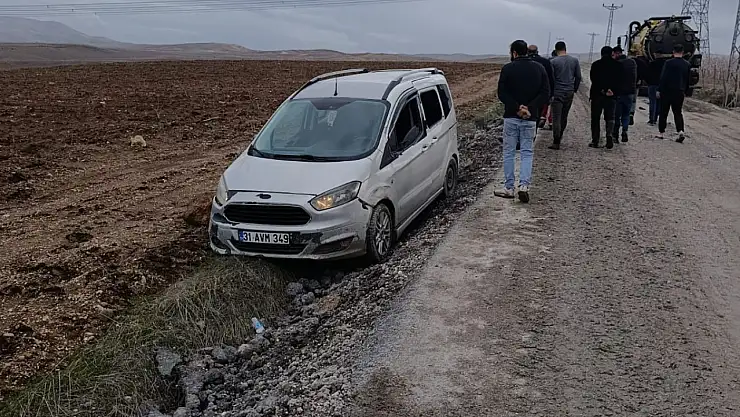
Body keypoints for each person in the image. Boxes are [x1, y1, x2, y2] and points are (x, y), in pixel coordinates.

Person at [495, 39, 550, 203]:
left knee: (509, 152)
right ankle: (524, 186)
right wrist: (529, 108)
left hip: (511, 117)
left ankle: (509, 188)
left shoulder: (507, 68)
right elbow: (545, 93)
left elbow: (501, 93)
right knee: (527, 152)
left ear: (514, 53)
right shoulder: (539, 68)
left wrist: (517, 107)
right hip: (530, 118)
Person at [548, 41, 582, 150]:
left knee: (556, 117)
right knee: (564, 116)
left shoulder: (553, 62)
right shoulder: (574, 61)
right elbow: (578, 76)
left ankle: (556, 140)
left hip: (557, 92)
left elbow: (551, 79)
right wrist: (574, 88)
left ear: (556, 49)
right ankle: (560, 135)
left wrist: (550, 92)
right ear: (565, 48)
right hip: (569, 91)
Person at [589, 46, 622, 149]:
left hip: (597, 95)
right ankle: (609, 134)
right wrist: (612, 90)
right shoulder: (618, 65)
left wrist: (603, 90)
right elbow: (620, 80)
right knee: (610, 117)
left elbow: (594, 79)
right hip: (612, 96)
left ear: (601, 53)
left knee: (595, 118)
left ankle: (595, 140)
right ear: (612, 53)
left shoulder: (596, 65)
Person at [657, 44, 691, 142]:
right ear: (682, 52)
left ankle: (661, 133)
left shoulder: (668, 63)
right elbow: (688, 80)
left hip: (667, 91)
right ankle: (680, 131)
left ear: (673, 52)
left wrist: (659, 89)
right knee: (678, 112)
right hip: (679, 91)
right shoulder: (687, 64)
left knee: (663, 112)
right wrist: (685, 91)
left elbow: (663, 77)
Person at [611, 45, 637, 143]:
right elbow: (635, 77)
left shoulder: (616, 64)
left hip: (618, 93)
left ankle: (615, 135)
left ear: (616, 53)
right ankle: (625, 131)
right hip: (630, 92)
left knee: (616, 115)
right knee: (626, 114)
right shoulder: (632, 62)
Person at [527, 44, 554, 129]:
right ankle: (534, 132)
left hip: (525, 94)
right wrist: (550, 94)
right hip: (540, 94)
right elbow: (550, 79)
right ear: (537, 51)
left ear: (527, 52)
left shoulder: (523, 62)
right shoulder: (545, 62)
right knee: (537, 115)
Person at [645, 57, 665, 125]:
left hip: (652, 84)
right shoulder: (665, 64)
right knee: (659, 102)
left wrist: (648, 82)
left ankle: (652, 119)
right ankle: (656, 117)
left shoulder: (652, 63)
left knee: (652, 102)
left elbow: (647, 74)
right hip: (662, 85)